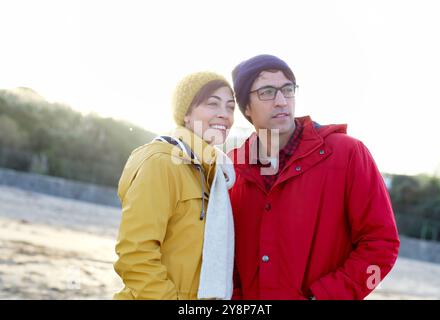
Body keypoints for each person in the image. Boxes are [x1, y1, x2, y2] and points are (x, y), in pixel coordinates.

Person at [228, 54, 400, 300]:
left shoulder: (348, 154)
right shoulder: (232, 168)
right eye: (267, 92)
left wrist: (322, 297)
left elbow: (381, 245)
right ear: (246, 107)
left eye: (287, 89)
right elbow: (226, 252)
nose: (281, 101)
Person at [114, 71, 236, 300]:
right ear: (186, 113)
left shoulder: (211, 174)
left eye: (230, 107)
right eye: (213, 104)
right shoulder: (161, 162)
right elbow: (135, 255)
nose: (224, 115)